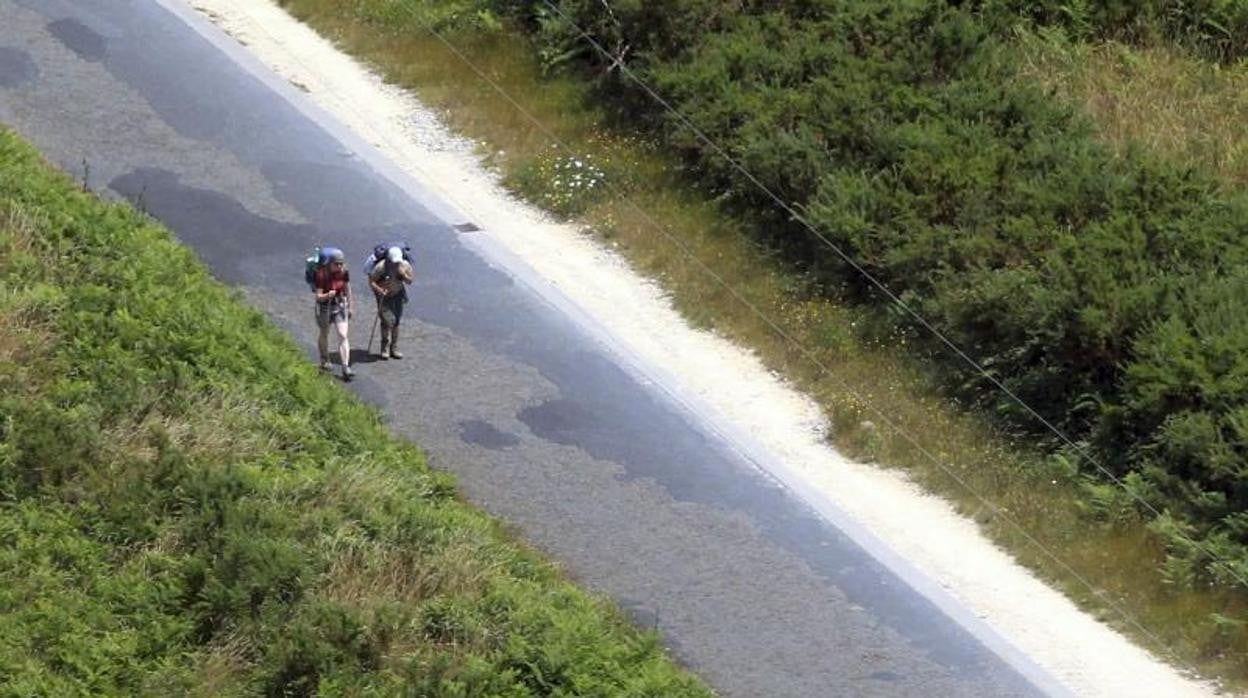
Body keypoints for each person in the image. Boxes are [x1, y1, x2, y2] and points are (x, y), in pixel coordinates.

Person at [313, 247, 356, 379]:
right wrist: (327, 295)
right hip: (324, 307)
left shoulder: (344, 272)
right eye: (336, 264)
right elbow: (318, 297)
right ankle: (325, 359)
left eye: (341, 263)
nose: (339, 266)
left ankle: (345, 367)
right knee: (324, 333)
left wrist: (351, 306)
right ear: (329, 263)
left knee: (343, 335)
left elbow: (348, 289)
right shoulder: (321, 274)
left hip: (339, 305)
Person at [369, 245, 414, 359]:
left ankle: (394, 348)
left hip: (398, 294)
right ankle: (384, 347)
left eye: (397, 262)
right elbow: (372, 281)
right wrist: (380, 290)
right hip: (384, 296)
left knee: (396, 321)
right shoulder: (381, 267)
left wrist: (403, 274)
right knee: (387, 321)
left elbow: (410, 281)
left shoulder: (405, 265)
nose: (395, 264)